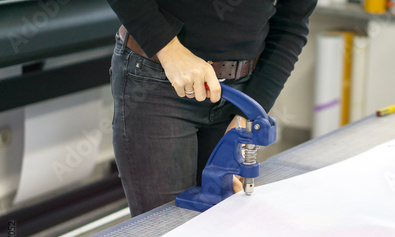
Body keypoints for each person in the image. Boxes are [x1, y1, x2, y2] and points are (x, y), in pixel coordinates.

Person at [106, 0, 317, 217]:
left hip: (240, 93)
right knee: (166, 232)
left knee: (222, 225)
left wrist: (247, 112)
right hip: (159, 79)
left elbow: (292, 24)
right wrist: (169, 50)